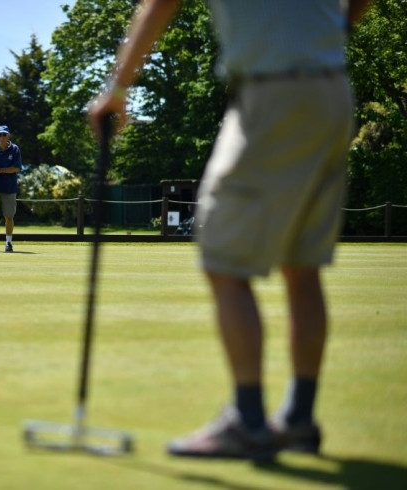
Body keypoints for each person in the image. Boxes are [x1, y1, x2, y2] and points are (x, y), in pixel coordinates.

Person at [88, 0, 371, 461]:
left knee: (221, 256)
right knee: (302, 266)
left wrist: (117, 88)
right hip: (331, 91)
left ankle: (248, 421)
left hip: (273, 93)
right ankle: (298, 419)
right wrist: (336, 27)